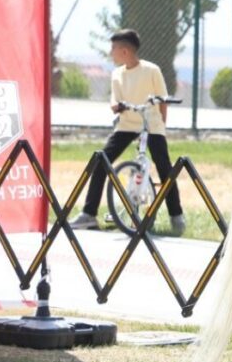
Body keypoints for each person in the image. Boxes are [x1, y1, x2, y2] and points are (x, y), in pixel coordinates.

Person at [69, 29, 184, 235]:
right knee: (101, 161)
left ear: (124, 51)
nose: (110, 53)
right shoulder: (117, 74)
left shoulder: (152, 70)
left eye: (113, 48)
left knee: (164, 167)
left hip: (151, 123)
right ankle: (89, 214)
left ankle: (176, 216)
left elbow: (163, 101)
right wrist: (115, 106)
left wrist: (161, 128)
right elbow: (115, 99)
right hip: (127, 124)